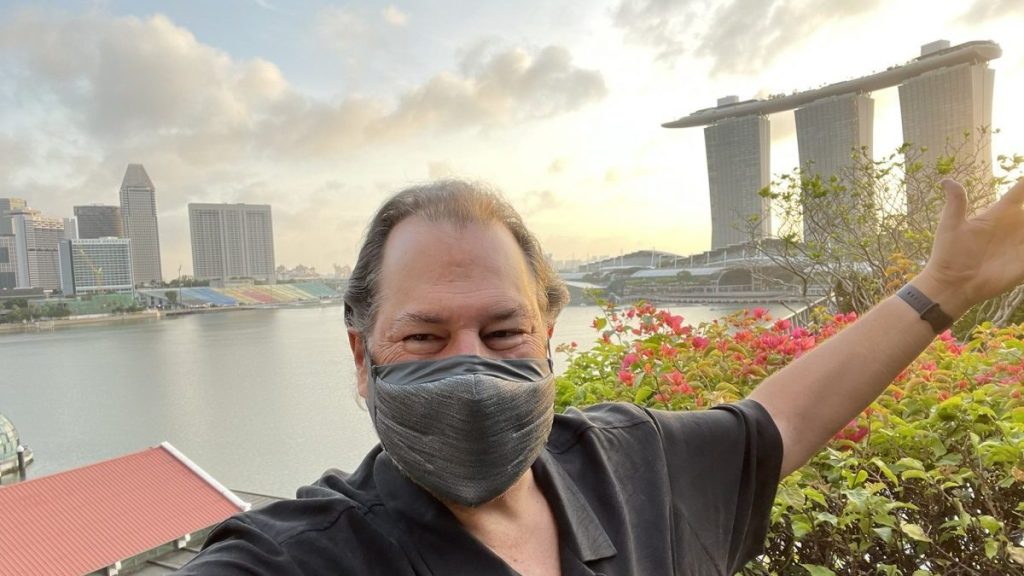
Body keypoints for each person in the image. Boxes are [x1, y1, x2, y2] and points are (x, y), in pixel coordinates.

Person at [176, 177, 1024, 575]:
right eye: (424, 336)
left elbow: (779, 422)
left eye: (503, 331)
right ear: (363, 356)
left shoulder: (631, 464)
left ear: (548, 335)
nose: (472, 366)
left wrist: (942, 288)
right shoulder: (298, 558)